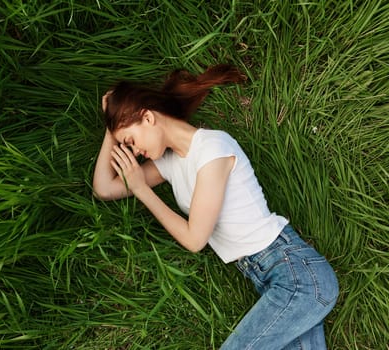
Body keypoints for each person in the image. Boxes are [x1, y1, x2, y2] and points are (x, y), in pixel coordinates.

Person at [92, 64, 339, 349]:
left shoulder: (212, 148)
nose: (135, 152)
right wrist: (111, 127)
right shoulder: (170, 163)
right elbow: (104, 188)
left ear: (147, 117)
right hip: (273, 280)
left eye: (131, 141)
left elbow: (195, 239)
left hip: (296, 275)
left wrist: (141, 190)